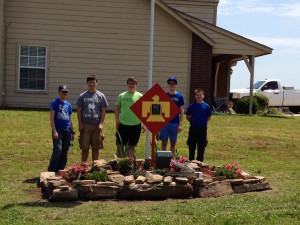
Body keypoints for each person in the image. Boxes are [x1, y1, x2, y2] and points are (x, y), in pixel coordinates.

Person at [76, 75, 108, 163]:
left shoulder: (101, 96)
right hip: (85, 125)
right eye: (90, 82)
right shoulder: (82, 96)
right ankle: (84, 167)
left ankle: (95, 166)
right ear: (87, 83)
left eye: (94, 82)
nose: (92, 84)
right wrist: (80, 124)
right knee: (85, 148)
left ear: (96, 83)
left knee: (96, 148)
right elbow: (79, 111)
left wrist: (101, 123)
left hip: (96, 126)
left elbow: (103, 111)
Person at [115, 76, 144, 159]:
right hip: (123, 124)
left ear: (136, 85)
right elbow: (117, 108)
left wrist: (144, 124)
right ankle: (119, 164)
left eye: (133, 83)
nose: (131, 85)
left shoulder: (140, 96)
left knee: (131, 146)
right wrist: (117, 120)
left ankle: (129, 164)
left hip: (135, 125)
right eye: (130, 83)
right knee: (120, 145)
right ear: (127, 84)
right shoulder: (122, 96)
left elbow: (144, 111)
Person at [48, 84, 75, 173]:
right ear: (59, 93)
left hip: (67, 130)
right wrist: (54, 131)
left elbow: (70, 119)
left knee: (64, 151)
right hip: (58, 129)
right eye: (63, 92)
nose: (65, 93)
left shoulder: (68, 105)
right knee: (57, 150)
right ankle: (51, 170)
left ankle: (60, 170)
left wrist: (72, 132)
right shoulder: (55, 102)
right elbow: (52, 118)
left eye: (66, 92)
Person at [160, 76, 184, 154]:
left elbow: (182, 110)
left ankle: (173, 160)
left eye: (173, 83)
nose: (172, 85)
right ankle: (163, 159)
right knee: (164, 142)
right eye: (170, 83)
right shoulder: (164, 95)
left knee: (173, 143)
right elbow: (160, 110)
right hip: (165, 123)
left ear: (176, 85)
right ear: (168, 85)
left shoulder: (180, 96)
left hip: (175, 122)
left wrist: (180, 124)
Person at [186, 88, 212, 162]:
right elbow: (187, 116)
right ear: (195, 96)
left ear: (203, 96)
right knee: (192, 145)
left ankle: (200, 161)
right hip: (193, 128)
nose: (199, 96)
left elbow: (209, 117)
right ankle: (191, 160)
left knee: (201, 145)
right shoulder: (191, 106)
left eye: (200, 95)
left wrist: (202, 121)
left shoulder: (206, 106)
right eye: (197, 95)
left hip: (202, 129)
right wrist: (193, 122)